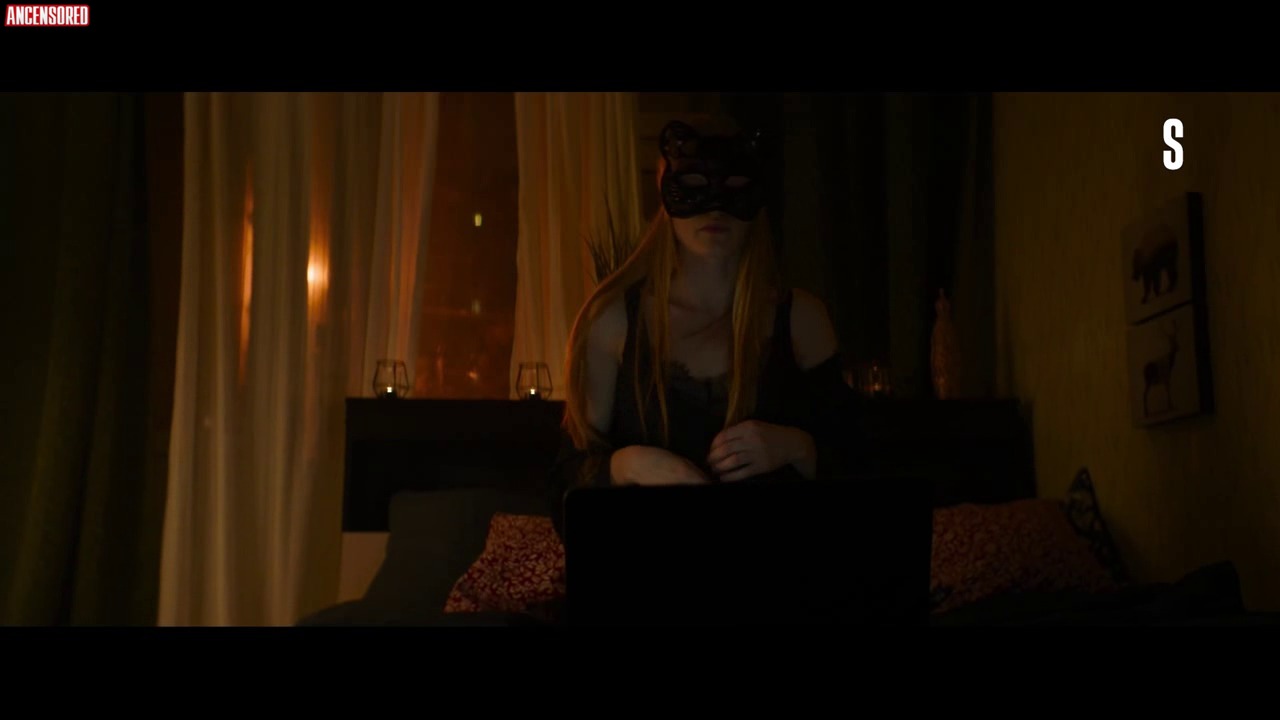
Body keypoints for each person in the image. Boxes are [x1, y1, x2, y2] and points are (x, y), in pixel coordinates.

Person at [547, 119, 858, 536]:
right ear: (665, 190)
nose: (715, 208)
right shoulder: (613, 322)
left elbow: (857, 470)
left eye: (735, 185)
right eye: (693, 184)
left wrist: (794, 447)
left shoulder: (801, 319)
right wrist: (627, 465)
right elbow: (567, 485)